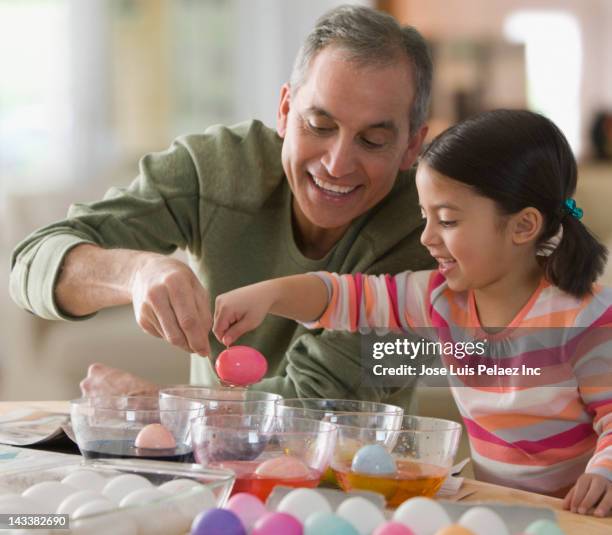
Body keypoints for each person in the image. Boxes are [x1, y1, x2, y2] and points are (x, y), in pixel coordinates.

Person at [9, 5, 434, 406]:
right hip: (211, 468)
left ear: (411, 146)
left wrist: (160, 409)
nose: (337, 163)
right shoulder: (219, 168)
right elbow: (30, 266)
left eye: (372, 140)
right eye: (319, 125)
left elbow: (324, 405)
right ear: (285, 111)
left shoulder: (433, 232)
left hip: (355, 477)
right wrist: (137, 273)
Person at [212, 109, 612, 515]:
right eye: (425, 217)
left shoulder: (585, 317)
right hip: (504, 510)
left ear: (524, 227)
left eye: (448, 220)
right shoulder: (439, 299)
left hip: (584, 517)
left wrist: (604, 475)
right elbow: (345, 297)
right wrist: (269, 294)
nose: (427, 238)